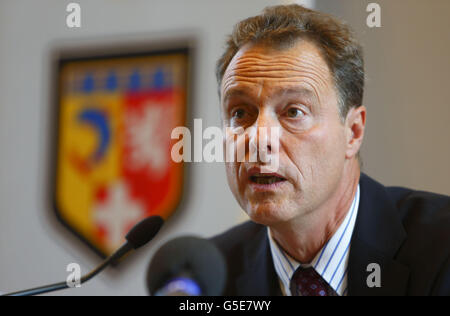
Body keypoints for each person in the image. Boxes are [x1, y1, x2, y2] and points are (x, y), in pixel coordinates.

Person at [211, 4, 450, 296]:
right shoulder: (210, 276)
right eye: (240, 113)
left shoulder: (441, 249)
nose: (259, 138)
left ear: (353, 132)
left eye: (294, 111)